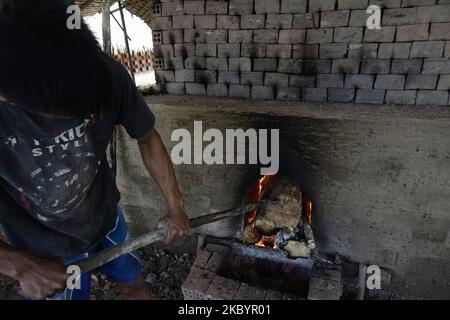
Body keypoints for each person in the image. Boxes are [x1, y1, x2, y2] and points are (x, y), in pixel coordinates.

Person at [0, 0, 190, 300]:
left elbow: (148, 138)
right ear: (8, 98)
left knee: (135, 283)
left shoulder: (107, 74)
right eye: (68, 109)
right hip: (44, 251)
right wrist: (18, 265)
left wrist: (175, 207)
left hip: (107, 220)